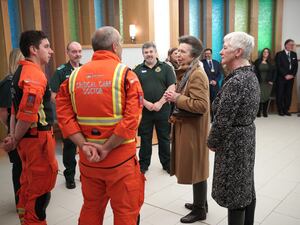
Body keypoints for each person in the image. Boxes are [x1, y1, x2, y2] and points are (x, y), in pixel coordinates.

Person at [55, 26, 145, 225]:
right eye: (120, 43)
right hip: (120, 162)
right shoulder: (126, 76)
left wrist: (83, 144)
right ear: (115, 46)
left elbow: (64, 117)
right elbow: (131, 121)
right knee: (125, 213)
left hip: (89, 160)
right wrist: (106, 147)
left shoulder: (73, 78)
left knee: (91, 208)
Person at [2, 30, 58, 225]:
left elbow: (14, 111)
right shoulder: (33, 74)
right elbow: (26, 114)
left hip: (28, 141)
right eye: (46, 46)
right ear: (33, 49)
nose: (50, 51)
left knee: (27, 185)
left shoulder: (20, 72)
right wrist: (15, 139)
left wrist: (12, 135)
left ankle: (26, 220)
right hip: (37, 141)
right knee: (40, 192)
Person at [207, 32, 260, 225]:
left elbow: (223, 119)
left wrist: (212, 141)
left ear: (238, 52)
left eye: (225, 47)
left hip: (234, 143)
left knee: (236, 193)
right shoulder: (249, 74)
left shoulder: (237, 81)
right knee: (245, 187)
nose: (220, 51)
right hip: (244, 139)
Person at [164, 35, 210, 223]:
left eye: (182, 51)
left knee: (197, 168)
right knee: (196, 166)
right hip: (188, 126)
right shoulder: (188, 70)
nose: (178, 54)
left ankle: (200, 209)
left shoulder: (197, 73)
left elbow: (201, 105)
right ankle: (201, 202)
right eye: (178, 50)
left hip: (194, 129)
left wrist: (176, 98)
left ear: (194, 55)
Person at [133, 42, 175, 174]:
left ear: (156, 52)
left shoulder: (166, 68)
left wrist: (160, 103)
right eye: (146, 52)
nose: (149, 54)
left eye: (151, 51)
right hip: (145, 111)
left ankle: (167, 164)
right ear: (143, 54)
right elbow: (135, 91)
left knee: (164, 137)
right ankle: (143, 165)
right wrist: (146, 103)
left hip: (162, 109)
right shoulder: (137, 70)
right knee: (145, 138)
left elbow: (172, 87)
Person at [50, 41, 82, 189]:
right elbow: (53, 95)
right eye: (74, 51)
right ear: (68, 53)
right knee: (69, 147)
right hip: (69, 116)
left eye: (79, 51)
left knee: (85, 145)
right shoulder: (61, 71)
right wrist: (66, 109)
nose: (77, 54)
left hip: (84, 116)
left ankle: (86, 173)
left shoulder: (85, 69)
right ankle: (70, 177)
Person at [0, 49, 23, 205]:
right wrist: (11, 130)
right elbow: (3, 112)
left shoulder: (18, 79)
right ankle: (19, 200)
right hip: (15, 131)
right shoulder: (9, 82)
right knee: (19, 166)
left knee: (24, 166)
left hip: (21, 130)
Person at [275, 39, 298, 116]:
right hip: (281, 78)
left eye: (293, 45)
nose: (292, 46)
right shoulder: (279, 54)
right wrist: (285, 75)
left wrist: (292, 75)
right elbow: (278, 66)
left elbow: (296, 67)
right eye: (291, 44)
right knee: (280, 94)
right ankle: (280, 110)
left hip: (291, 78)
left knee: (288, 94)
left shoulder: (294, 54)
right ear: (286, 45)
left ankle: (286, 110)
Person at [254, 48, 276, 117]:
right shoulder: (257, 61)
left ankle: (265, 112)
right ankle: (258, 112)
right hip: (259, 81)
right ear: (262, 53)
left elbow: (275, 73)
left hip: (268, 82)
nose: (265, 53)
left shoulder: (272, 62)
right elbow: (255, 71)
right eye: (264, 52)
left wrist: (272, 80)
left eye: (267, 52)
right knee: (259, 96)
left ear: (269, 53)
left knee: (266, 96)